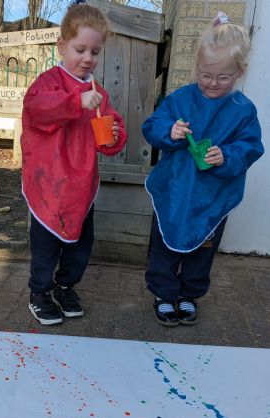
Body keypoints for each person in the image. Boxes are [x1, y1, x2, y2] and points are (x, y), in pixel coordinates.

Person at [142, 12, 264, 327]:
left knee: (202, 250)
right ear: (197, 67)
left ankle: (189, 295)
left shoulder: (243, 111)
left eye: (223, 78)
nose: (212, 83)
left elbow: (251, 147)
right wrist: (169, 131)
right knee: (165, 244)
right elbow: (152, 126)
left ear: (240, 72)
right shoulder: (180, 99)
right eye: (206, 74)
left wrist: (226, 155)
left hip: (212, 196)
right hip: (175, 189)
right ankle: (163, 294)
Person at [22, 0, 127, 326]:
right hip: (49, 184)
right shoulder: (47, 83)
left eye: (95, 52)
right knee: (45, 247)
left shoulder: (98, 92)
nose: (87, 58)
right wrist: (74, 101)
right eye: (80, 49)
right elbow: (37, 111)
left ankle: (65, 286)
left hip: (81, 186)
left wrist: (113, 135)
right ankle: (39, 292)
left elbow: (110, 134)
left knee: (80, 245)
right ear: (61, 46)